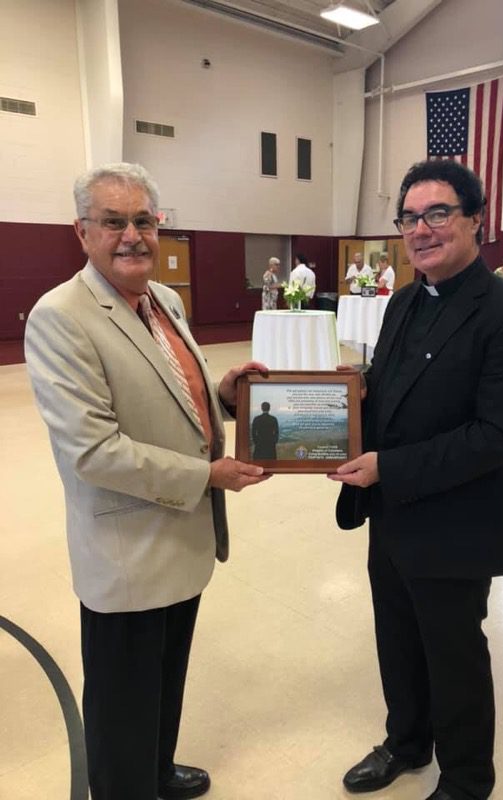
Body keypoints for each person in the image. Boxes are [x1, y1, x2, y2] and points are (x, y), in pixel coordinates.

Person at [24, 162, 271, 800]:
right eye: (113, 222)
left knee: (164, 678)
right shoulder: (61, 317)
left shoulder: (165, 301)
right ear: (82, 231)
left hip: (182, 537)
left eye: (143, 221)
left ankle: (156, 771)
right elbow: (94, 451)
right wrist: (207, 474)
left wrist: (224, 394)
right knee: (121, 699)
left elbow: (176, 396)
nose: (132, 236)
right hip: (127, 551)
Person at [330, 160, 503, 800]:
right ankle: (406, 742)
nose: (420, 230)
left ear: (476, 220)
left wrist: (388, 467)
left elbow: (494, 436)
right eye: (409, 218)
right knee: (396, 638)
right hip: (391, 511)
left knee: (453, 655)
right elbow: (388, 392)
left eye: (438, 213)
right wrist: (340, 409)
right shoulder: (402, 301)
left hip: (457, 522)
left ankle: (466, 779)